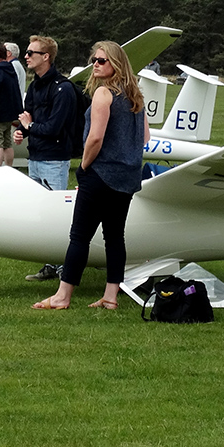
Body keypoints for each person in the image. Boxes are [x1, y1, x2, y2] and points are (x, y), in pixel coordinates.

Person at [34, 41, 149, 310]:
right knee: (114, 237)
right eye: (94, 60)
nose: (95, 65)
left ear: (116, 64)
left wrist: (84, 167)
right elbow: (145, 137)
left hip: (100, 174)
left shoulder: (103, 94)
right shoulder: (136, 97)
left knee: (79, 236)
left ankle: (62, 296)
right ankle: (110, 297)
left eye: (101, 61)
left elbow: (95, 138)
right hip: (127, 177)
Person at [14, 35, 79, 282]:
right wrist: (23, 130)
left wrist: (29, 127)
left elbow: (53, 128)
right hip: (36, 156)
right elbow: (28, 119)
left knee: (57, 215)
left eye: (32, 52)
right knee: (41, 213)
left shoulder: (63, 89)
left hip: (54, 159)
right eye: (27, 52)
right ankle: (50, 264)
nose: (27, 56)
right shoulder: (34, 87)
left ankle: (64, 267)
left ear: (46, 57)